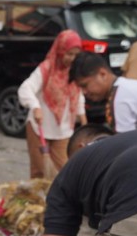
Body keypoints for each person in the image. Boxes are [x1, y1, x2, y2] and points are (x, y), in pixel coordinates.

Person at [17, 30, 86, 179]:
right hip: (39, 127)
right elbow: (25, 88)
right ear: (60, 51)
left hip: (63, 130)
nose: (72, 59)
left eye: (76, 54)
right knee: (39, 171)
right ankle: (38, 201)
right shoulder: (47, 68)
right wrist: (35, 106)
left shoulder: (75, 70)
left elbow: (78, 94)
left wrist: (83, 118)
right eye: (69, 54)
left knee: (63, 170)